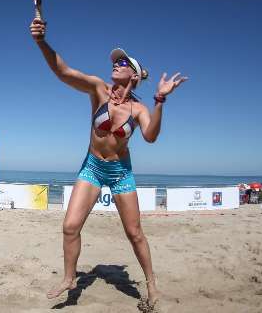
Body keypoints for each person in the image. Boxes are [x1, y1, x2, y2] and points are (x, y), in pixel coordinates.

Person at [30, 17, 187, 309]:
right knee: (70, 227)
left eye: (123, 63)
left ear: (134, 76)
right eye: (116, 61)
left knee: (134, 233)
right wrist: (41, 41)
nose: (116, 63)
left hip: (119, 173)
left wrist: (160, 101)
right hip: (92, 166)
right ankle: (68, 277)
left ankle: (151, 284)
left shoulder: (138, 109)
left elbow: (150, 136)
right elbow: (63, 71)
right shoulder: (98, 90)